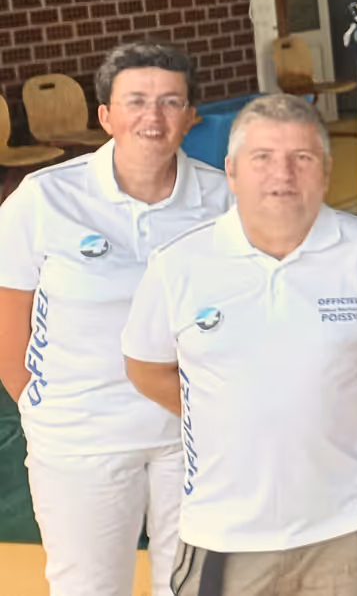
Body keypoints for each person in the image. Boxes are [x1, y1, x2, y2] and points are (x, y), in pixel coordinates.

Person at [121, 94, 357, 596]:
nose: (282, 174)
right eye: (262, 157)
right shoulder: (179, 264)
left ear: (326, 171)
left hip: (342, 526)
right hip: (226, 531)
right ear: (231, 170)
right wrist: (224, 409)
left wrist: (349, 401)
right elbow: (144, 366)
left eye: (302, 158)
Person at [0, 42, 229, 596]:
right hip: (83, 440)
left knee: (197, 588)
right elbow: (9, 337)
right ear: (105, 116)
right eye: (136, 101)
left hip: (193, 436)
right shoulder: (44, 199)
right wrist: (44, 407)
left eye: (171, 101)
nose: (153, 117)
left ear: (192, 115)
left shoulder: (223, 199)